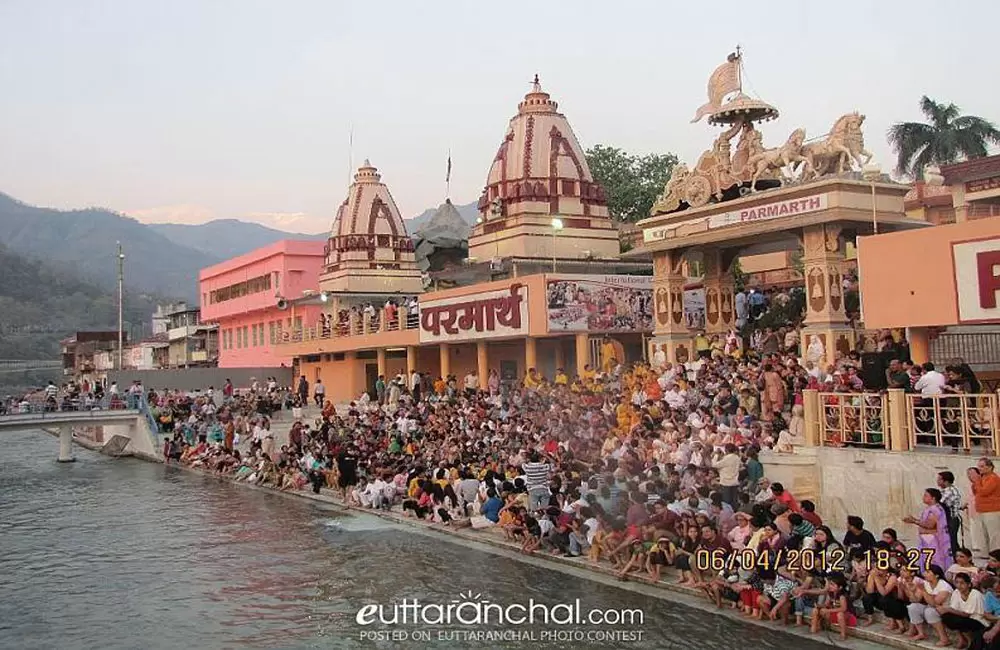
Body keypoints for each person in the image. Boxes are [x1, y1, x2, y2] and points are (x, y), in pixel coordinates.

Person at [903, 488, 952, 571]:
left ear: (933, 498)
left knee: (932, 563)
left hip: (932, 541)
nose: (923, 497)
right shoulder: (930, 508)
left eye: (926, 495)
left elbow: (930, 525)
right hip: (926, 540)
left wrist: (914, 521)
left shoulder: (935, 509)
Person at [939, 572, 987, 647]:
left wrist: (947, 609)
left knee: (957, 620)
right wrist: (947, 610)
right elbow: (954, 609)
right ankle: (963, 639)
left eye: (962, 583)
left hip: (979, 621)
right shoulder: (956, 592)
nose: (959, 585)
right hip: (966, 618)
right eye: (957, 582)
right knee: (946, 617)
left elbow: (967, 614)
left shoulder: (975, 594)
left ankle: (970, 641)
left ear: (969, 585)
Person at [973, 458, 1000, 557]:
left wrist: (977, 481)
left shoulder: (993, 478)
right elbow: (976, 491)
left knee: (993, 535)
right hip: (981, 510)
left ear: (990, 467)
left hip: (992, 510)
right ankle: (985, 553)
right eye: (979, 466)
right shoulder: (982, 478)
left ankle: (995, 555)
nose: (979, 468)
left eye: (982, 466)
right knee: (983, 534)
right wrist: (977, 481)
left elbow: (984, 491)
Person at [938, 471, 964, 559]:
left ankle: (956, 559)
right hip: (948, 519)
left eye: (939, 479)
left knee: (952, 541)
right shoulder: (945, 491)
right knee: (951, 541)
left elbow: (940, 504)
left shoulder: (950, 491)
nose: (937, 481)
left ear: (946, 481)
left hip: (952, 519)